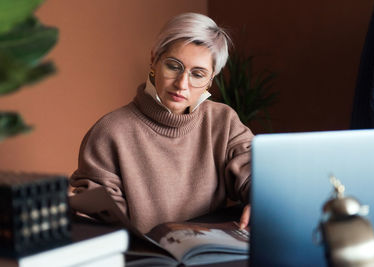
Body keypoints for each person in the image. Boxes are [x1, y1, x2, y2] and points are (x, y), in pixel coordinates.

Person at [70, 12, 253, 234]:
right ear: (154, 59)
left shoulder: (224, 122)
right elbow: (101, 222)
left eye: (198, 74)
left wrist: (263, 200)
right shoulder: (109, 132)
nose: (182, 84)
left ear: (210, 79)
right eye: (174, 66)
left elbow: (257, 172)